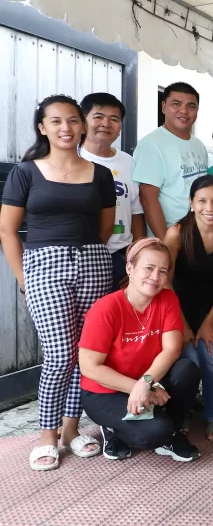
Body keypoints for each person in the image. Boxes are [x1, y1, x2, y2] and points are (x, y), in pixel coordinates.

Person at [0, 95, 115, 470]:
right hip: (43, 266)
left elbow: (104, 229)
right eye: (56, 121)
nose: (66, 128)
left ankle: (71, 429)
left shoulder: (100, 174)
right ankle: (46, 436)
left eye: (73, 120)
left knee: (86, 353)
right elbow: (7, 231)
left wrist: (86, 255)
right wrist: (24, 280)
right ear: (42, 127)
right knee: (60, 354)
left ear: (82, 126)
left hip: (93, 263)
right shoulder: (25, 172)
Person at [78, 238, 201, 462]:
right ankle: (112, 429)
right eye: (148, 268)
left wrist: (146, 383)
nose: (155, 277)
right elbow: (89, 367)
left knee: (187, 370)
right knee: (155, 431)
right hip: (105, 391)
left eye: (162, 271)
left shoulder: (168, 299)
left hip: (147, 380)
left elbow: (171, 350)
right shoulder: (105, 308)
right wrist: (139, 387)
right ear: (130, 268)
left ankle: (172, 433)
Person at [164, 175, 213, 441]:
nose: (210, 208)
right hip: (178, 305)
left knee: (210, 356)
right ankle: (182, 411)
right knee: (190, 359)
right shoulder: (177, 232)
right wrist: (184, 325)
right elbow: (166, 282)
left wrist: (210, 322)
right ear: (191, 203)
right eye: (202, 201)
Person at [79, 93, 145, 290]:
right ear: (83, 121)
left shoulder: (129, 162)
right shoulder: (71, 158)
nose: (106, 124)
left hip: (120, 257)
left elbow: (136, 213)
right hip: (80, 256)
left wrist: (137, 258)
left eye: (114, 119)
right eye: (98, 117)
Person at [134, 82, 208, 239]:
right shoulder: (151, 144)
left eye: (191, 106)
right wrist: (166, 243)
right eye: (176, 104)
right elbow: (148, 198)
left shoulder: (199, 145)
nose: (184, 111)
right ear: (164, 107)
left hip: (199, 234)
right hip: (171, 236)